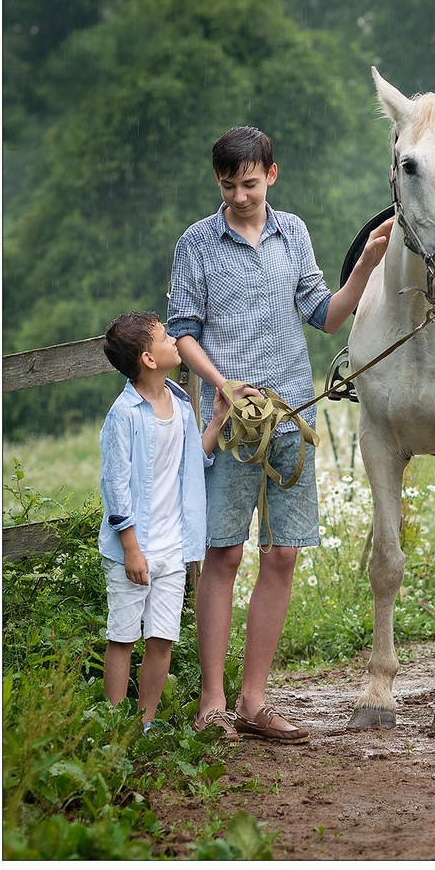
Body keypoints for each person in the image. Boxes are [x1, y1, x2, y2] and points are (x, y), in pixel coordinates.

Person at [167, 125, 393, 743]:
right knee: (223, 554)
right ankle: (212, 700)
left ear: (271, 173)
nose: (240, 195)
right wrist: (220, 383)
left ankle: (254, 700)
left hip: (294, 416)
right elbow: (183, 331)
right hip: (233, 421)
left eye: (249, 182)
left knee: (283, 553)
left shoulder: (293, 232)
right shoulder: (197, 243)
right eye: (228, 185)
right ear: (218, 183)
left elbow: (324, 315)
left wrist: (369, 264)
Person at [99, 310, 255, 737]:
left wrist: (219, 419)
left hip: (172, 547)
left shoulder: (182, 404)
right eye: (167, 338)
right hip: (134, 547)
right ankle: (116, 728)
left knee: (162, 639)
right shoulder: (124, 415)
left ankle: (144, 726)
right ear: (149, 359)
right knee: (124, 637)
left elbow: (194, 460)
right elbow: (114, 486)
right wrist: (130, 546)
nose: (176, 343)